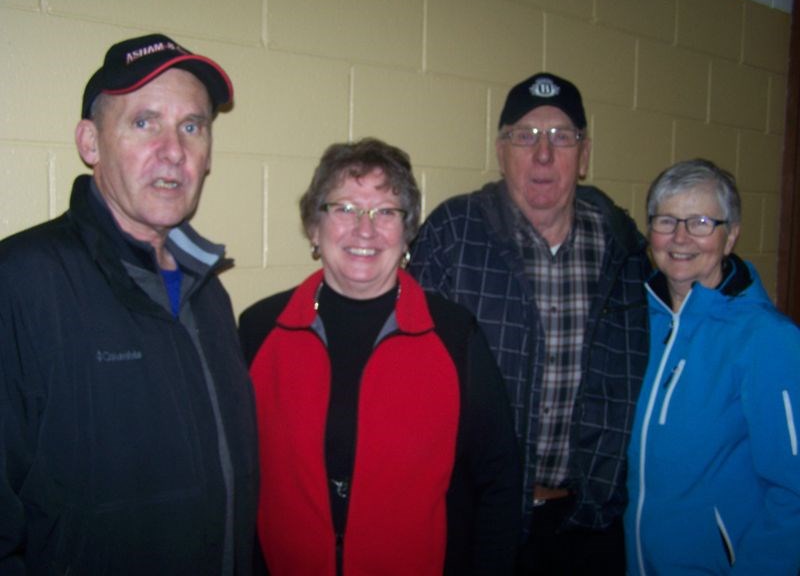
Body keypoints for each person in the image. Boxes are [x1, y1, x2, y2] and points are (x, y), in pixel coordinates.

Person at [0, 34, 258, 575]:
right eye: (144, 122)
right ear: (90, 143)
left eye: (192, 126)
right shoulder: (21, 282)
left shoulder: (209, 294)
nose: (174, 150)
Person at [238, 138, 521, 575]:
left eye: (386, 212)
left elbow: (499, 481)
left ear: (407, 233)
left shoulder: (454, 337)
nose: (364, 229)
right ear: (315, 227)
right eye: (345, 209)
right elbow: (238, 480)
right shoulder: (259, 331)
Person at [408, 72, 650, 574]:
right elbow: (408, 371)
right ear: (502, 152)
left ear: (584, 156)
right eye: (525, 136)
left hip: (589, 523)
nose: (543, 154)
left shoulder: (623, 248)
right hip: (483, 521)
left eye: (562, 137)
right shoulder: (454, 234)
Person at [625, 158, 800, 575]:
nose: (681, 237)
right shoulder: (635, 326)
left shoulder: (768, 339)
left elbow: (794, 491)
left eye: (701, 221)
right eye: (667, 220)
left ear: (731, 235)